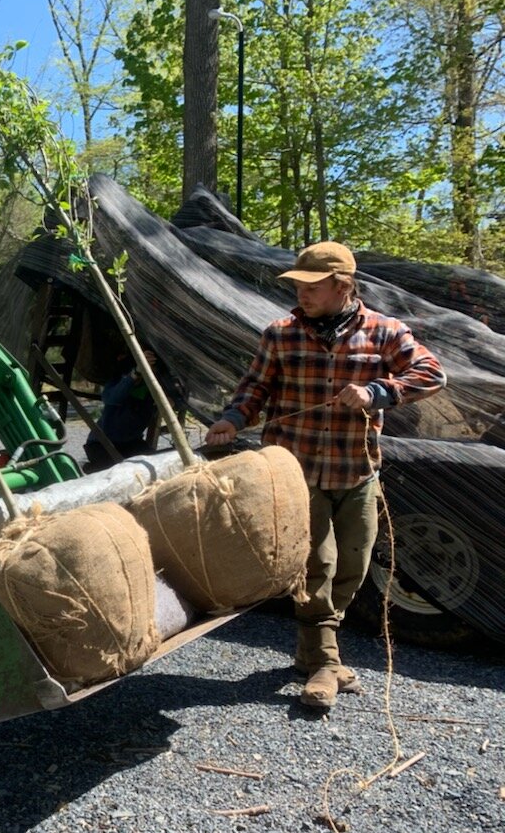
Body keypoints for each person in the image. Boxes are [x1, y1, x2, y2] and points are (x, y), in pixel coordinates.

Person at [204, 241, 446, 709]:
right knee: (317, 565)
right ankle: (324, 665)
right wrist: (232, 419)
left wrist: (379, 390)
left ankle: (311, 652)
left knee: (353, 565)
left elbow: (431, 373)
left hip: (356, 471)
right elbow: (254, 388)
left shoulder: (385, 331)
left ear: (342, 285)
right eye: (297, 285)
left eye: (311, 286)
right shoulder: (281, 333)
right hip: (295, 472)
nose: (301, 293)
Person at [84, 350, 178, 472]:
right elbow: (111, 398)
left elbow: (180, 401)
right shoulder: (118, 383)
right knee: (114, 474)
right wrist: (136, 373)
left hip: (132, 443)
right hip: (102, 444)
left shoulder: (153, 389)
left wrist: (172, 401)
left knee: (155, 467)